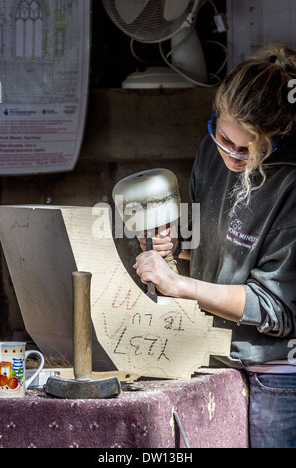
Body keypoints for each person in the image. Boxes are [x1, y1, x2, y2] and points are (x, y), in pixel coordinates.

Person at [134, 43, 296, 449]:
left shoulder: (290, 183)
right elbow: (215, 241)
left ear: (278, 135)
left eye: (250, 149)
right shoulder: (211, 151)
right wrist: (177, 240)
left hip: (278, 374)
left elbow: (279, 308)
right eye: (225, 138)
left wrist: (181, 285)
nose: (232, 155)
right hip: (215, 356)